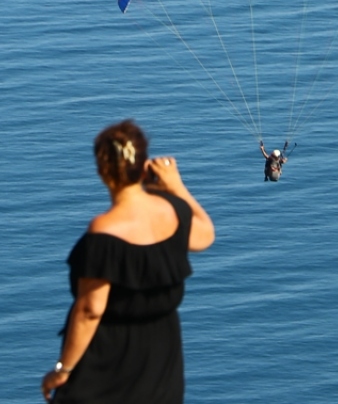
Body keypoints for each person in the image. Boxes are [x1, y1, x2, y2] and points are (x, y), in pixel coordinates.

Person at [41, 120, 215, 404]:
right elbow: (205, 235)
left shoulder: (104, 231)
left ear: (102, 171)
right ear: (145, 165)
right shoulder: (175, 213)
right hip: (162, 372)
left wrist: (64, 369)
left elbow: (90, 310)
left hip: (106, 370)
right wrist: (177, 187)